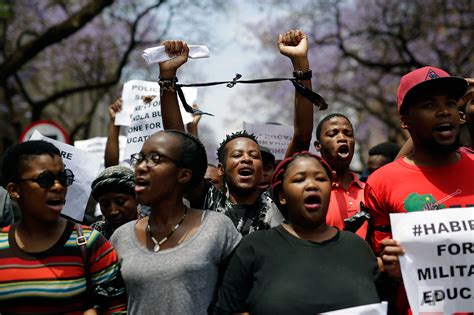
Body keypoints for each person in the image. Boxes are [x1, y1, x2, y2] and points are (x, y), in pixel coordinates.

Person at [157, 29, 318, 235]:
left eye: (254, 156)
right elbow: (178, 146)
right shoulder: (208, 201)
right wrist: (167, 76)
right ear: (221, 169)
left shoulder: (278, 199)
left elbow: (302, 136)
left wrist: (300, 63)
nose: (246, 160)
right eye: (237, 155)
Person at [215, 152, 380, 314]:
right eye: (299, 180)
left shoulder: (358, 247)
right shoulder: (254, 247)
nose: (312, 185)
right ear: (282, 196)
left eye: (321, 179)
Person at [364, 66, 471, 314]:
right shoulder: (382, 183)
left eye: (451, 103)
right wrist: (389, 269)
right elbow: (375, 266)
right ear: (405, 121)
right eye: (429, 105)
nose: (444, 111)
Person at [109, 130, 241, 314]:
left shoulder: (217, 228)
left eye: (155, 158)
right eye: (140, 158)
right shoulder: (121, 236)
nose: (140, 167)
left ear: (183, 175)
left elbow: (236, 302)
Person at [0, 140, 127, 314]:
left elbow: (117, 309)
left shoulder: (91, 244)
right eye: (45, 180)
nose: (59, 186)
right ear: (14, 190)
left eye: (63, 177)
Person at [314, 113, 369, 238]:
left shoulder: (370, 191)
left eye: (348, 134)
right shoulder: (313, 194)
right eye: (333, 134)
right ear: (318, 145)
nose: (342, 138)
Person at [90, 165, 138, 239]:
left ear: (137, 199)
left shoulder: (152, 230)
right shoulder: (95, 235)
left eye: (120, 202)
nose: (113, 211)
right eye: (105, 204)